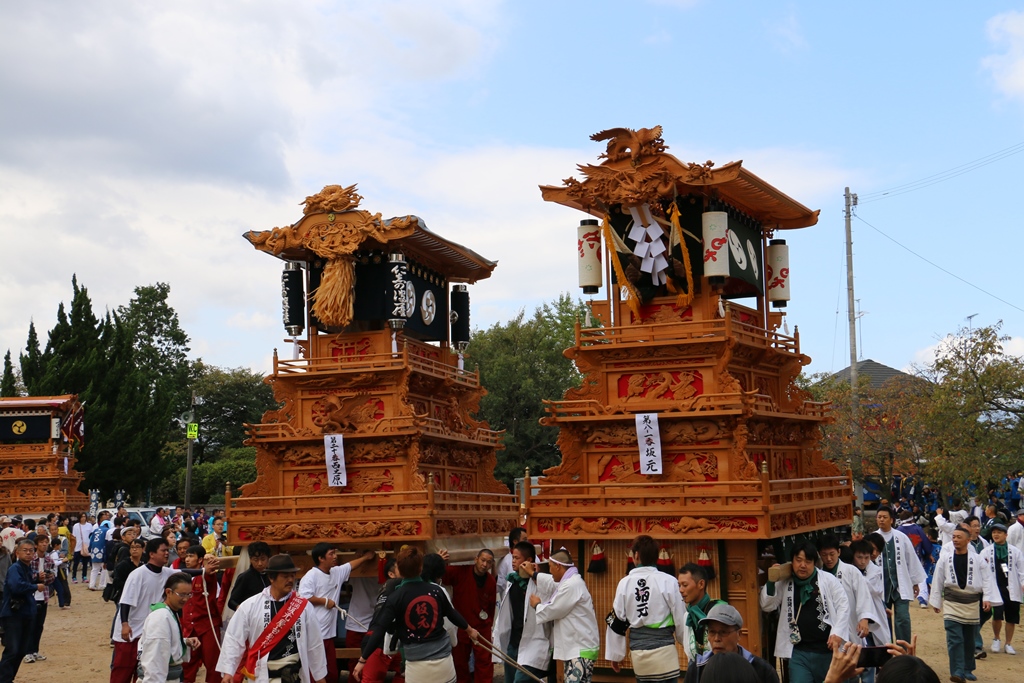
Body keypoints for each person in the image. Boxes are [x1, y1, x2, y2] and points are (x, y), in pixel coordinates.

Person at [355, 546, 478, 683]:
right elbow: (451, 614)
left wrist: (363, 659)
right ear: (421, 568)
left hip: (416, 665)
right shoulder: (436, 591)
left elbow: (379, 628)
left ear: (399, 570)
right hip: (443, 662)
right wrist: (469, 629)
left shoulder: (396, 597)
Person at [217, 554, 327, 683]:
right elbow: (234, 639)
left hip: (293, 675)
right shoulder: (251, 606)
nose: (290, 580)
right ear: (271, 578)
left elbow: (315, 643)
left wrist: (320, 677)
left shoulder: (304, 607)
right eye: (285, 576)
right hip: (263, 674)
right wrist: (228, 671)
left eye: (292, 576)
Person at [111, 537, 209, 683]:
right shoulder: (138, 574)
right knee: (122, 672)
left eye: (167, 551)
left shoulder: (166, 572)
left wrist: (204, 571)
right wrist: (125, 625)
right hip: (130, 633)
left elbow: (183, 571)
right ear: (151, 554)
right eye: (163, 551)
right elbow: (125, 602)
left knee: (143, 671)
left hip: (148, 632)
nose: (167, 554)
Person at [760, 541, 850, 683]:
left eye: (808, 561)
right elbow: (767, 606)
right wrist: (771, 582)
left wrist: (837, 633)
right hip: (799, 652)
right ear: (792, 562)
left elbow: (843, 606)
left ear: (814, 562)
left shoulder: (828, 580)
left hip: (827, 651)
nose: (803, 565)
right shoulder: (785, 582)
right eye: (798, 560)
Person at [606, 535, 686, 683]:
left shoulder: (624, 583)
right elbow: (681, 617)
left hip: (640, 654)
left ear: (636, 555)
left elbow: (616, 621)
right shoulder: (669, 581)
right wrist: (686, 644)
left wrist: (615, 655)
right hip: (665, 653)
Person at [929, 525, 999, 683]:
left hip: (972, 603)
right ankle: (957, 671)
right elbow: (938, 579)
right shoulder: (945, 558)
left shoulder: (978, 559)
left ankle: (968, 668)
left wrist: (987, 597)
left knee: (969, 639)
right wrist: (936, 600)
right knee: (954, 639)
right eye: (953, 537)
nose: (955, 540)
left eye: (959, 537)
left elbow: (987, 579)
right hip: (952, 602)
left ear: (968, 540)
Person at [298, 544, 376, 683]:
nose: (335, 557)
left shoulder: (336, 572)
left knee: (332, 674)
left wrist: (365, 557)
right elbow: (303, 598)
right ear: (321, 558)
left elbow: (350, 565)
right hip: (315, 634)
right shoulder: (311, 575)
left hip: (328, 634)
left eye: (335, 553)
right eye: (331, 554)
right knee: (316, 675)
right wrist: (324, 601)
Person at [493, 540, 550, 682]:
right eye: (512, 557)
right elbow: (506, 612)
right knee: (509, 679)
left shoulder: (539, 583)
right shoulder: (512, 581)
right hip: (514, 640)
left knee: (521, 680)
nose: (513, 561)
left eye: (517, 558)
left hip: (533, 640)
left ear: (529, 560)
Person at [683, 603, 778, 683]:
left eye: (723, 632)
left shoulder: (761, 669)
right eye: (712, 632)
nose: (716, 639)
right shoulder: (697, 669)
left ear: (739, 634)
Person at [818, 534, 884, 649]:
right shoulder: (818, 574)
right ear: (819, 555)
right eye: (824, 555)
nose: (828, 559)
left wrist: (864, 618)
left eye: (832, 554)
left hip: (850, 622)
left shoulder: (851, 571)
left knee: (852, 653)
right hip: (826, 626)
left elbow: (863, 595)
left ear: (838, 552)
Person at [874, 507, 926, 644]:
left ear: (891, 520)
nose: (881, 520)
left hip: (900, 585)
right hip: (880, 586)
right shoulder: (873, 538)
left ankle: (903, 649)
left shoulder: (901, 537)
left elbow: (911, 559)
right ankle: (887, 650)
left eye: (884, 517)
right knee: (884, 619)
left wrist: (915, 582)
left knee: (902, 618)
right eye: (879, 517)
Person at [137, 572, 201, 683]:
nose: (185, 599)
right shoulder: (160, 617)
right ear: (168, 592)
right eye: (181, 594)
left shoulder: (170, 612)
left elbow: (165, 642)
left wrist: (184, 642)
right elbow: (154, 659)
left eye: (188, 595)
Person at [444, 548, 496, 683]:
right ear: (476, 559)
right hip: (461, 624)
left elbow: (491, 608)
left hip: (481, 626)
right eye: (483, 560)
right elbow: (442, 575)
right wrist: (440, 561)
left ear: (491, 565)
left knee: (484, 662)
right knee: (459, 662)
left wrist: (488, 625)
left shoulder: (491, 582)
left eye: (488, 562)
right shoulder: (461, 572)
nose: (485, 565)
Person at [0, 539, 45, 682]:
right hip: (13, 615)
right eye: (24, 550)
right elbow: (16, 586)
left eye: (31, 550)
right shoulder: (15, 568)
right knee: (12, 650)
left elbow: (24, 584)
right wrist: (35, 586)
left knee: (20, 651)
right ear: (17, 552)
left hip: (26, 613)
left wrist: (36, 579)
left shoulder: (28, 568)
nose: (28, 553)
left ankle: (8, 678)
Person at [180, 545, 225, 683]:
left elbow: (211, 568)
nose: (187, 559)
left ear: (200, 559)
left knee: (213, 665)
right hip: (189, 628)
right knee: (187, 665)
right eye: (186, 556)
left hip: (207, 627)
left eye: (191, 556)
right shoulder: (181, 577)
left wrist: (208, 558)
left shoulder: (207, 575)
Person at [981, 523, 1024, 655]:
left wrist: (1023, 583)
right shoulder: (986, 551)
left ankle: (1008, 643)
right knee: (997, 615)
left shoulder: (1015, 551)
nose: (996, 535)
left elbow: (1021, 570)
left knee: (1011, 617)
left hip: (1011, 587)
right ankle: (996, 638)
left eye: (999, 532)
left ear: (1006, 535)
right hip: (995, 588)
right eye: (994, 532)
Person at [677, 563, 725, 662]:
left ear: (701, 584)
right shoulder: (688, 616)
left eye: (685, 585)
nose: (681, 590)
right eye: (679, 585)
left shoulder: (719, 611)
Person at [25, 533, 56, 664]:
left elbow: (53, 576)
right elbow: (26, 577)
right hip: (31, 596)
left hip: (44, 596)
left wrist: (46, 577)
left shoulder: (49, 560)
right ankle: (27, 652)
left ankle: (35, 650)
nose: (44, 544)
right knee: (29, 625)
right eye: (42, 542)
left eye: (46, 542)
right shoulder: (30, 559)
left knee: (39, 625)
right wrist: (37, 577)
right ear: (36, 545)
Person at [227, 542, 272, 611]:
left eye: (263, 559)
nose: (260, 563)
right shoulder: (245, 577)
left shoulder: (272, 575)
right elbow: (231, 602)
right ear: (250, 560)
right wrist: (241, 609)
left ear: (268, 558)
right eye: (256, 560)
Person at [495, 527, 528, 597]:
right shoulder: (506, 560)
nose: (527, 542)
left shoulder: (532, 556)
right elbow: (500, 585)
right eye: (524, 539)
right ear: (515, 541)